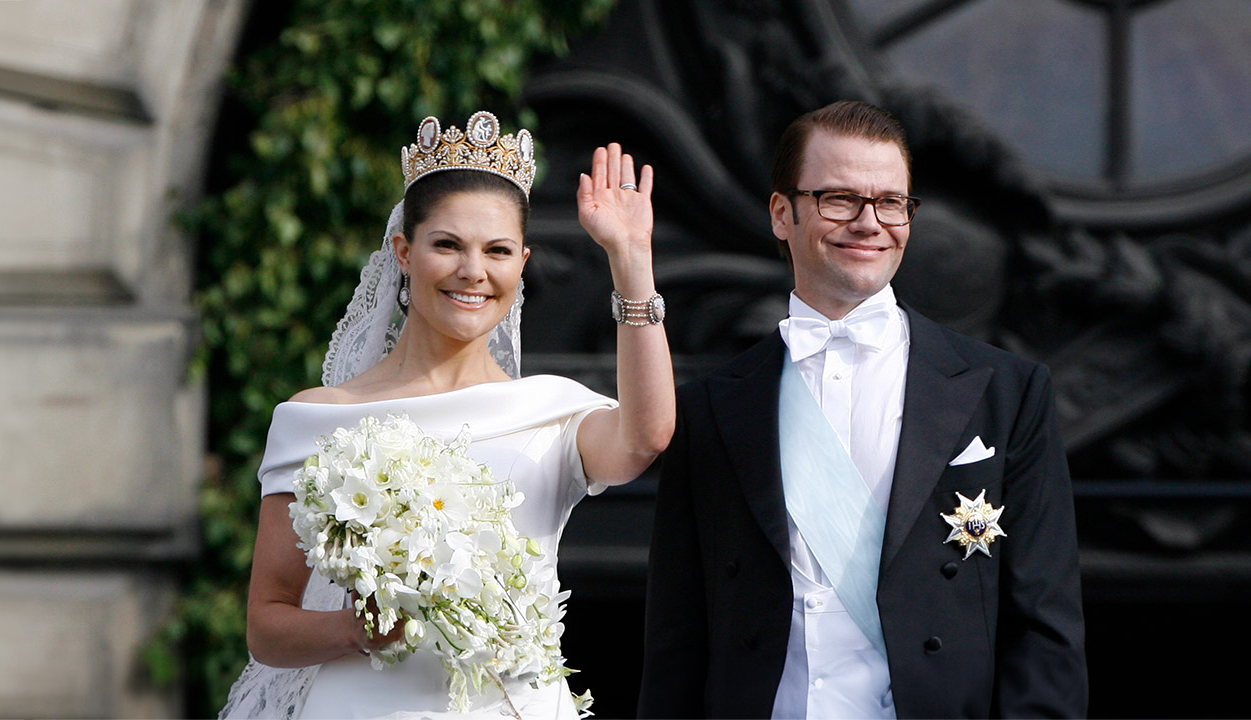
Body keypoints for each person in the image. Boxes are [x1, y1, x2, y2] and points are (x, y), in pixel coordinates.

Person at [638, 100, 1087, 718]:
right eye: (839, 199)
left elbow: (1046, 629)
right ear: (780, 213)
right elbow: (676, 637)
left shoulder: (1007, 393)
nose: (869, 222)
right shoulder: (712, 406)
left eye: (891, 202)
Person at [220, 111, 674, 719]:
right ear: (404, 252)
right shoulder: (317, 419)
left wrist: (631, 258)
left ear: (522, 263)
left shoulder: (552, 411)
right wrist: (358, 630)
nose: (473, 271)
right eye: (447, 245)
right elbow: (268, 627)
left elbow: (647, 435)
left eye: (498, 251)